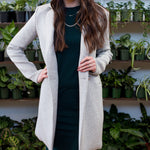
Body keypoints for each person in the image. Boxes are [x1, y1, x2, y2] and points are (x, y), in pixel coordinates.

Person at [6, 0, 113, 150]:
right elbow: (14, 48)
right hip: (55, 102)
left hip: (85, 100)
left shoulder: (99, 14)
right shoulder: (43, 13)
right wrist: (34, 74)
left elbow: (106, 51)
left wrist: (98, 64)